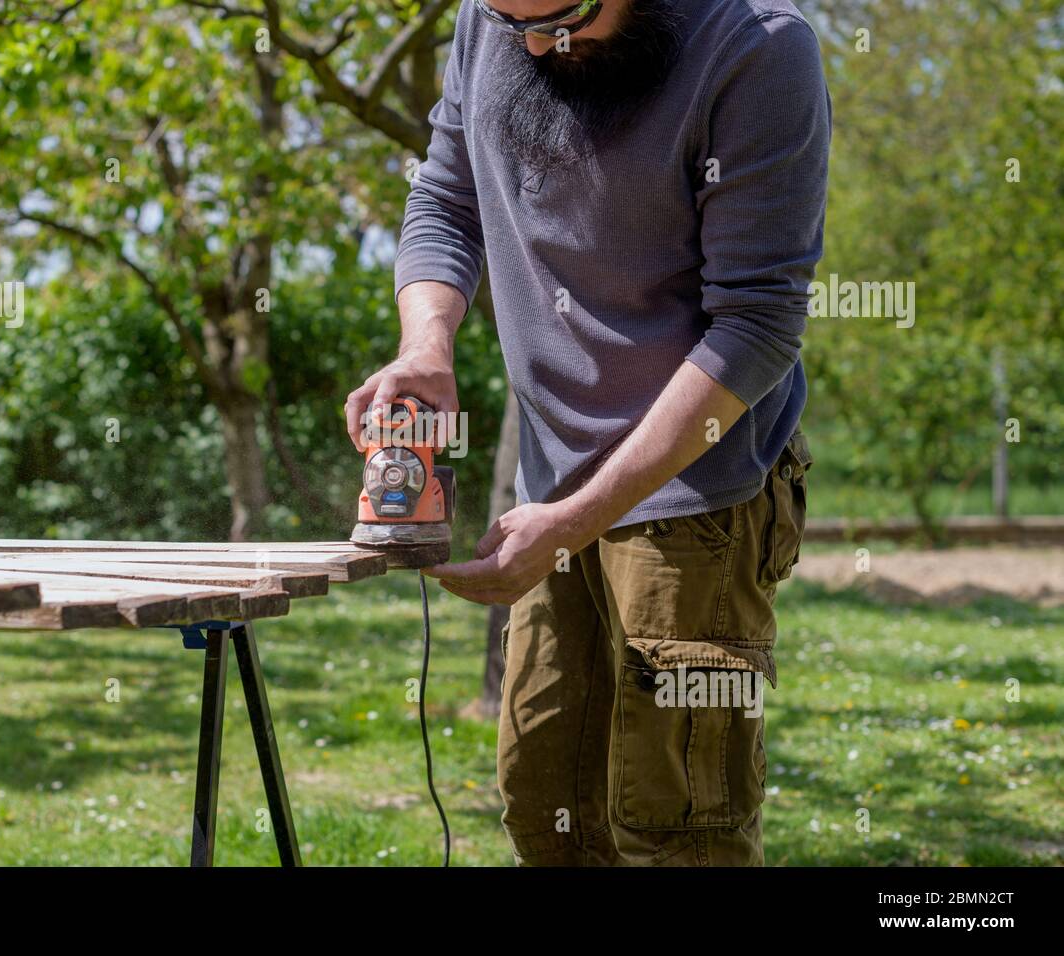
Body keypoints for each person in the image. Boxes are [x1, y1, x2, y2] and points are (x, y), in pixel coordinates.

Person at [345, 0, 829, 866]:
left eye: (565, 17)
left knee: (679, 831)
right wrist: (427, 343)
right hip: (552, 488)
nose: (534, 45)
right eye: (513, 20)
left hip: (701, 504)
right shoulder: (491, 20)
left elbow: (756, 326)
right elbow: (446, 200)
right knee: (548, 810)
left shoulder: (759, 49)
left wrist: (579, 519)